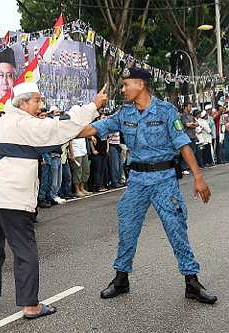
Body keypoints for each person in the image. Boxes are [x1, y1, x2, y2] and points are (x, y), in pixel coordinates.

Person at [77, 67, 217, 304]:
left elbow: (183, 143)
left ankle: (192, 282)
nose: (122, 89)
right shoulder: (124, 113)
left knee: (176, 229)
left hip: (164, 180)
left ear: (140, 84)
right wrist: (60, 129)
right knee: (127, 229)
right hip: (137, 182)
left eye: (125, 85)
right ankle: (121, 279)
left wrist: (198, 177)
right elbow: (92, 129)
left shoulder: (166, 110)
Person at [0, 82, 107, 318]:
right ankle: (30, 305)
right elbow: (58, 127)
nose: (41, 105)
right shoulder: (25, 123)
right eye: (37, 100)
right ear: (23, 102)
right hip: (11, 197)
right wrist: (93, 106)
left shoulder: (2, 123)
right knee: (24, 248)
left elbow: (59, 129)